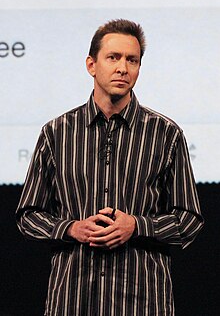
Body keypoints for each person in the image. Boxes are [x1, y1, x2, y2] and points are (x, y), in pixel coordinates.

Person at [16, 19, 204, 316]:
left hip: (143, 299)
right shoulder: (57, 133)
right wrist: (72, 228)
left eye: (132, 60)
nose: (123, 68)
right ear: (91, 65)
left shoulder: (165, 134)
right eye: (113, 57)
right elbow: (28, 216)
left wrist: (137, 226)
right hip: (72, 298)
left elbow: (190, 220)